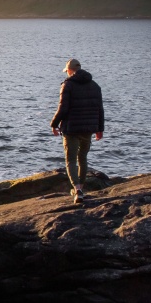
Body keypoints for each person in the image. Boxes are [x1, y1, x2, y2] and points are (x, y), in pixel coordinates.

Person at [50, 58, 104, 204]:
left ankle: (77, 189)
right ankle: (81, 188)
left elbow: (63, 108)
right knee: (83, 158)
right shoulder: (95, 86)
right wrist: (100, 129)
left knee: (71, 160)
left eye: (66, 71)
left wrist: (53, 124)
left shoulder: (67, 85)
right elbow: (100, 109)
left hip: (71, 128)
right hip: (88, 128)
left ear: (69, 70)